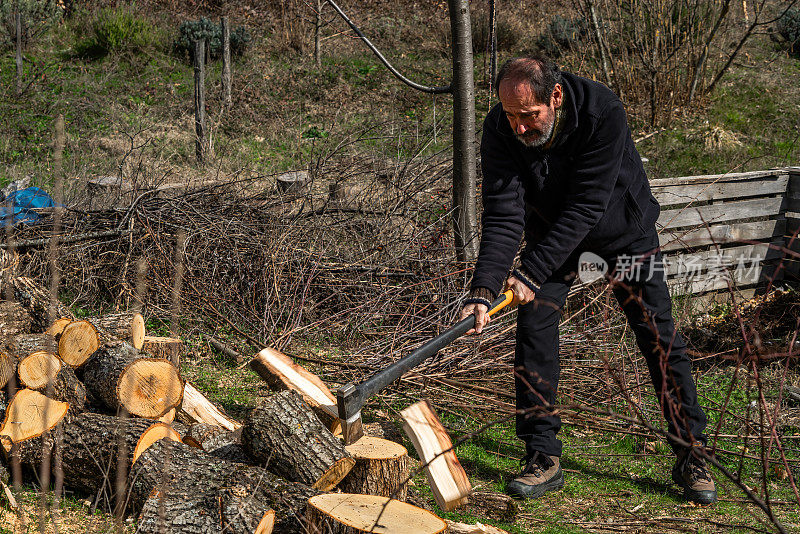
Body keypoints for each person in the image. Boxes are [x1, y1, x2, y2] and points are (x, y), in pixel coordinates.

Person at [459, 56, 717, 504]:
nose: (518, 127)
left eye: (529, 115)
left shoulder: (602, 112)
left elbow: (587, 204)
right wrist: (484, 288)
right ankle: (543, 455)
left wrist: (531, 272)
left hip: (621, 232)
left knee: (659, 337)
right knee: (534, 327)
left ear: (554, 97)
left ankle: (691, 453)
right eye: (510, 115)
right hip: (551, 236)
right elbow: (503, 213)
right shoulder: (500, 128)